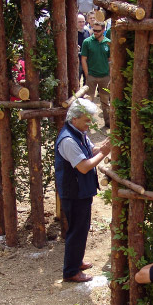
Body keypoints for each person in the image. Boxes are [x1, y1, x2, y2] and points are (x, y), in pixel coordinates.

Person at [55, 99, 111, 283]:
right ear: (75, 118)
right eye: (86, 120)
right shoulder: (68, 140)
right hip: (74, 193)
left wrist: (101, 147)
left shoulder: (78, 132)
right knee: (77, 230)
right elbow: (84, 166)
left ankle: (76, 261)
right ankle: (71, 271)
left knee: (81, 228)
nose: (90, 124)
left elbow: (89, 151)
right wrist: (104, 152)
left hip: (81, 191)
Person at [80, 20, 111, 128]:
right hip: (91, 77)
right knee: (88, 101)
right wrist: (87, 73)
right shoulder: (87, 42)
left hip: (105, 77)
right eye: (94, 30)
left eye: (98, 31)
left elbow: (110, 59)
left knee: (105, 101)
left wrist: (110, 74)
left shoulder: (108, 42)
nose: (95, 32)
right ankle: (86, 123)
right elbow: (83, 58)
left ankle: (108, 122)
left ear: (103, 30)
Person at [77, 14, 90, 86]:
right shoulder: (71, 33)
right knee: (77, 79)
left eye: (83, 21)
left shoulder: (87, 32)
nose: (82, 23)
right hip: (77, 60)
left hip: (86, 60)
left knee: (87, 79)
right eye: (79, 22)